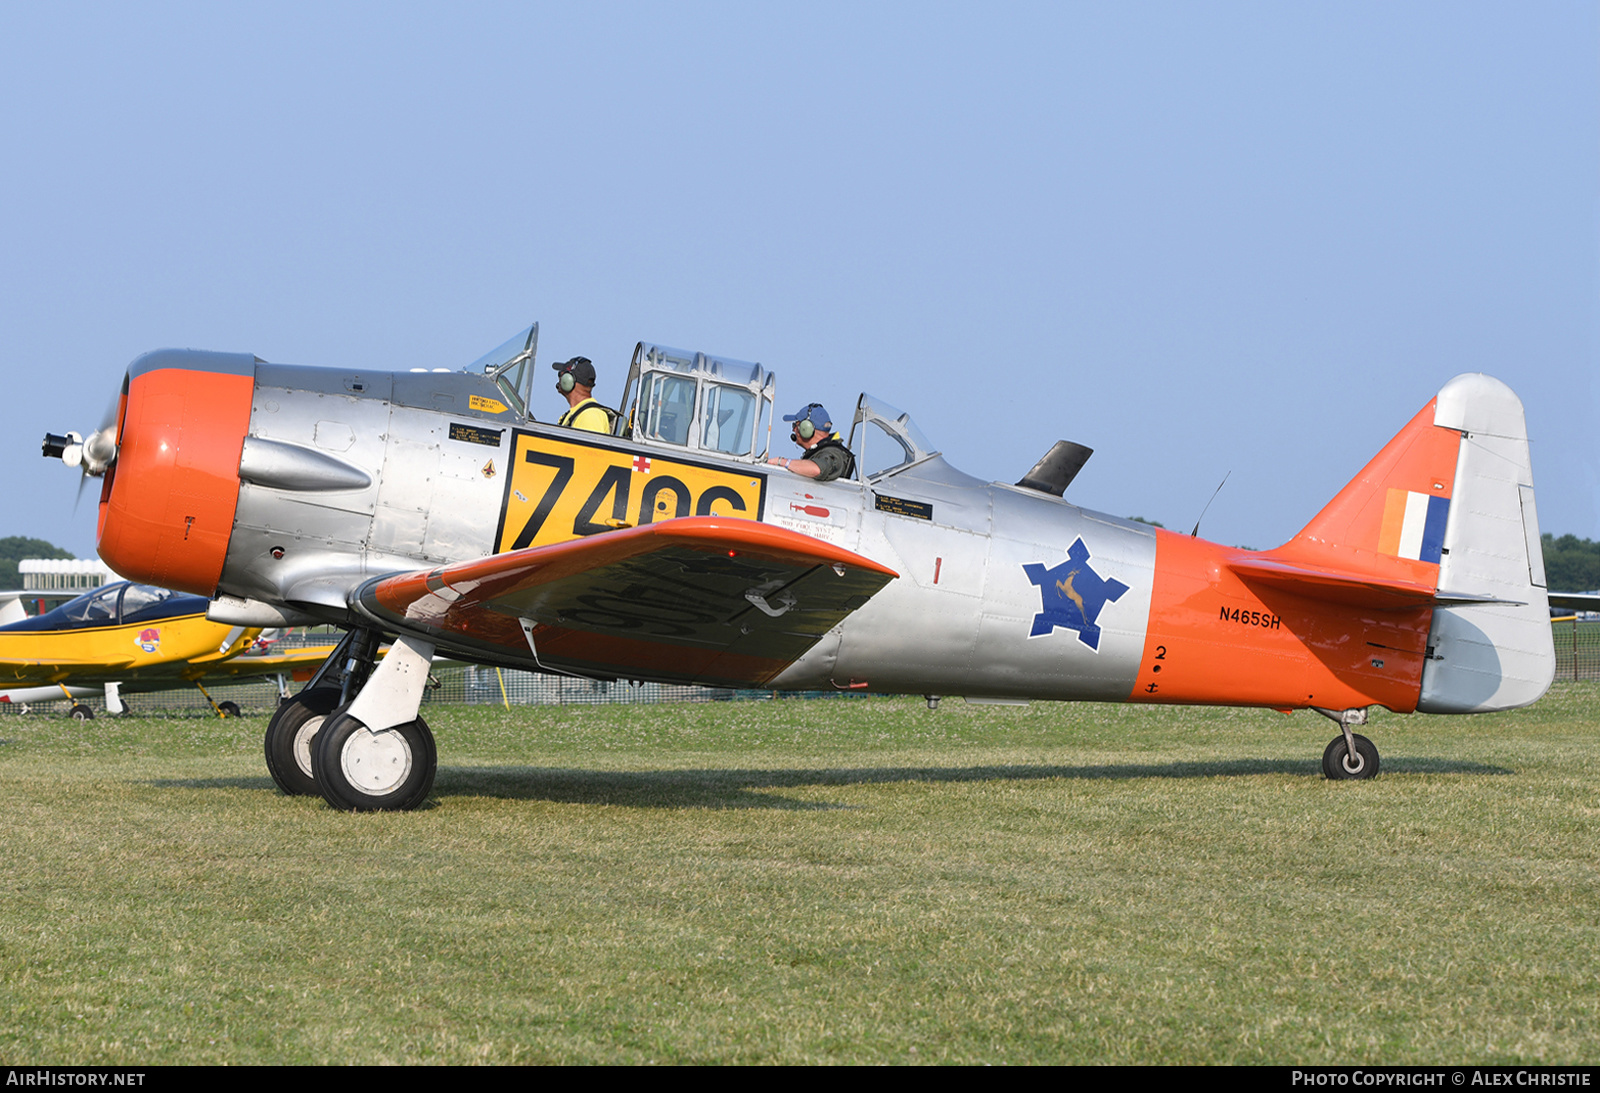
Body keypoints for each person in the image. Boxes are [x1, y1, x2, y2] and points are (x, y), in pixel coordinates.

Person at [768, 403, 855, 482]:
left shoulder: (833, 453)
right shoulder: (821, 451)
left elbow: (818, 469)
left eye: (796, 425)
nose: (794, 430)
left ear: (807, 428)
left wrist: (781, 462)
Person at [551, 357, 611, 434]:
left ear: (569, 379)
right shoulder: (575, 413)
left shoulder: (590, 416)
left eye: (561, 374)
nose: (559, 378)